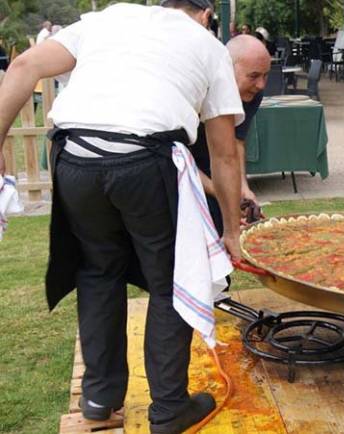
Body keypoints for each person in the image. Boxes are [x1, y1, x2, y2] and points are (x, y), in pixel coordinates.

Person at [0, 1, 244, 433]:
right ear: (206, 13)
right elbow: (224, 153)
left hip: (75, 159)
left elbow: (22, 67)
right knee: (169, 282)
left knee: (97, 273)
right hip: (144, 163)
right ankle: (169, 409)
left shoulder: (107, 18)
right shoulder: (207, 45)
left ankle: (98, 398)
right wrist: (230, 231)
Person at [189, 34, 268, 236]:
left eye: (265, 75)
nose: (261, 85)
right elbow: (178, 159)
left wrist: (242, 188)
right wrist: (224, 193)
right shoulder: (194, 91)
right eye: (253, 76)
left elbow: (237, 140)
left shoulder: (253, 93)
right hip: (175, 166)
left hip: (216, 162)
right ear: (227, 68)